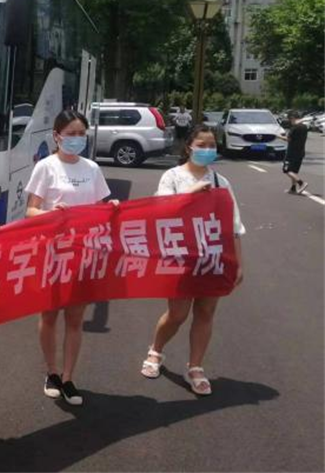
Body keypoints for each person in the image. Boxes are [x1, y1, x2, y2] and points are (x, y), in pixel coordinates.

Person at [140, 124, 245, 396]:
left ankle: (195, 367)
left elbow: (233, 225)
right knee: (178, 313)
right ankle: (155, 350)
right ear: (189, 147)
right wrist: (190, 195)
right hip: (181, 257)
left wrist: (238, 262)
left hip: (213, 257)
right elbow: (161, 210)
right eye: (202, 145)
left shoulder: (221, 182)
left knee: (206, 312)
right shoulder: (173, 177)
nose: (208, 150)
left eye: (212, 145)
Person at [25, 110, 117, 407]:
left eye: (81, 134)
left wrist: (112, 208)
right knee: (49, 315)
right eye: (71, 134)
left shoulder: (92, 168)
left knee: (75, 319)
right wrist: (50, 213)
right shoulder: (46, 167)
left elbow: (101, 208)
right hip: (52, 253)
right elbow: (31, 211)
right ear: (57, 136)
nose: (77, 139)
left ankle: (68, 377)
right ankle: (51, 372)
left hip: (83, 252)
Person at [280, 111, 308, 194]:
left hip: (292, 153)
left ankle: (301, 183)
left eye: (290, 119)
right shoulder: (304, 127)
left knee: (286, 170)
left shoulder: (295, 128)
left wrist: (278, 136)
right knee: (294, 171)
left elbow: (288, 139)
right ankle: (293, 188)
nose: (290, 122)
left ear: (292, 118)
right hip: (301, 152)